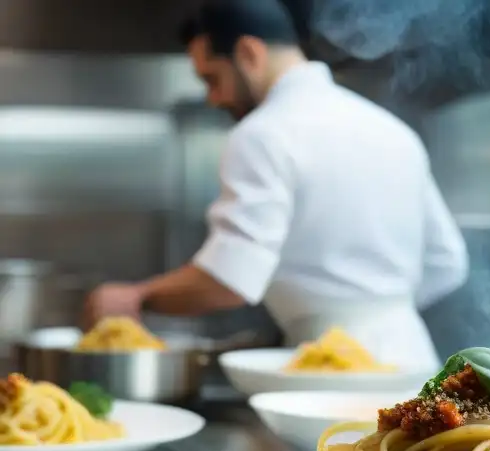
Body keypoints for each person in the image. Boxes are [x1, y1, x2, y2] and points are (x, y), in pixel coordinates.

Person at [82, 0, 468, 370]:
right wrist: (377, 312)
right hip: (412, 359)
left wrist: (137, 296)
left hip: (329, 369)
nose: (213, 98)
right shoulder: (391, 129)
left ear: (249, 53)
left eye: (212, 78)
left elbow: (230, 278)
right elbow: (448, 262)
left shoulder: (262, 133)